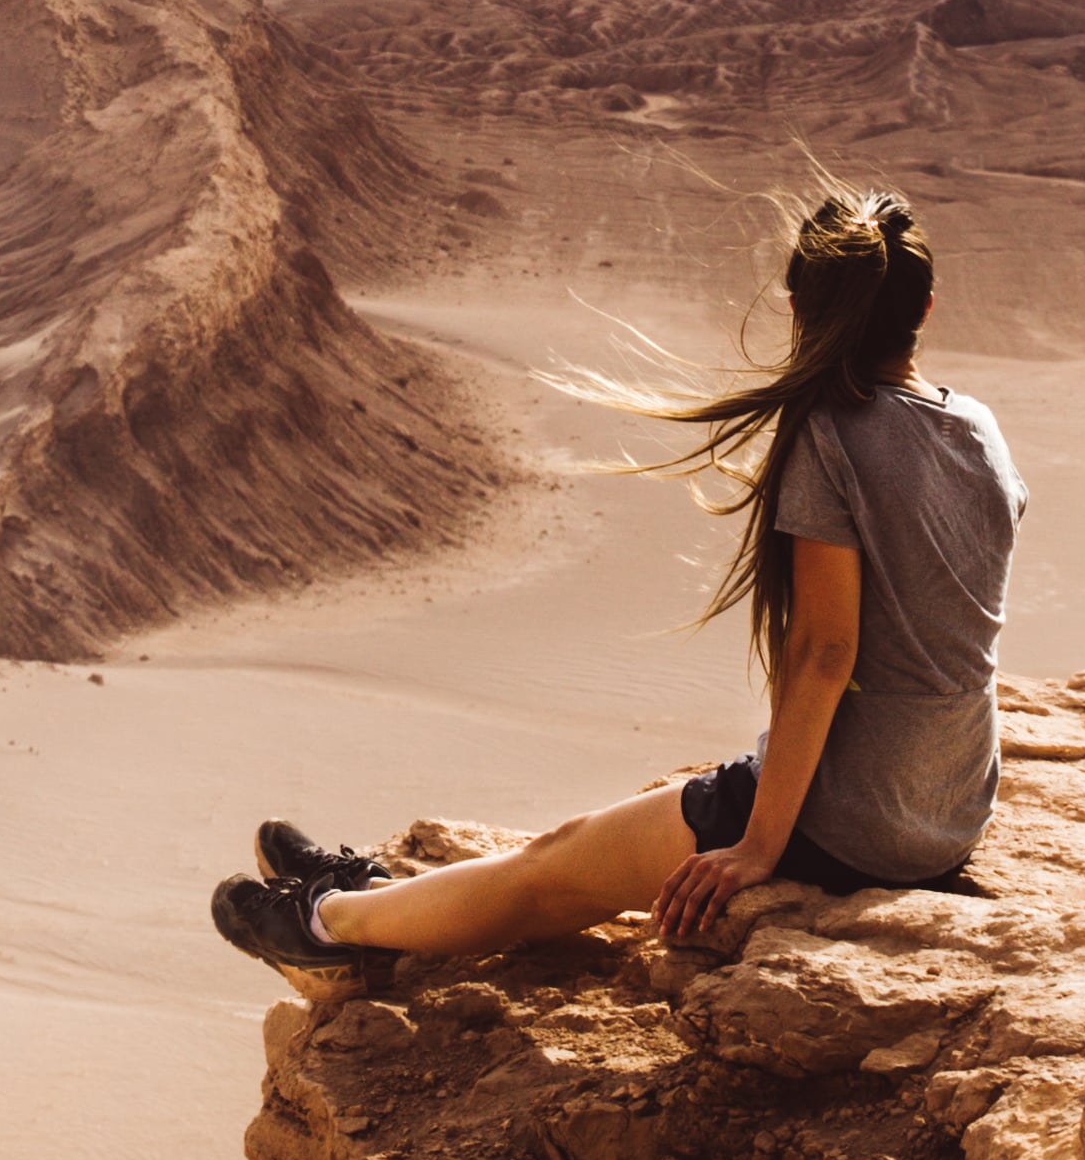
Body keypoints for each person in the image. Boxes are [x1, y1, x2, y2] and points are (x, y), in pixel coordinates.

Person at [214, 185, 1023, 977]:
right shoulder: (980, 427)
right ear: (925, 309)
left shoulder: (832, 432)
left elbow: (823, 650)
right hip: (950, 811)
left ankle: (324, 922)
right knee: (578, 848)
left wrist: (758, 847)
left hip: (854, 825)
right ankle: (383, 893)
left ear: (798, 307)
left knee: (548, 871)